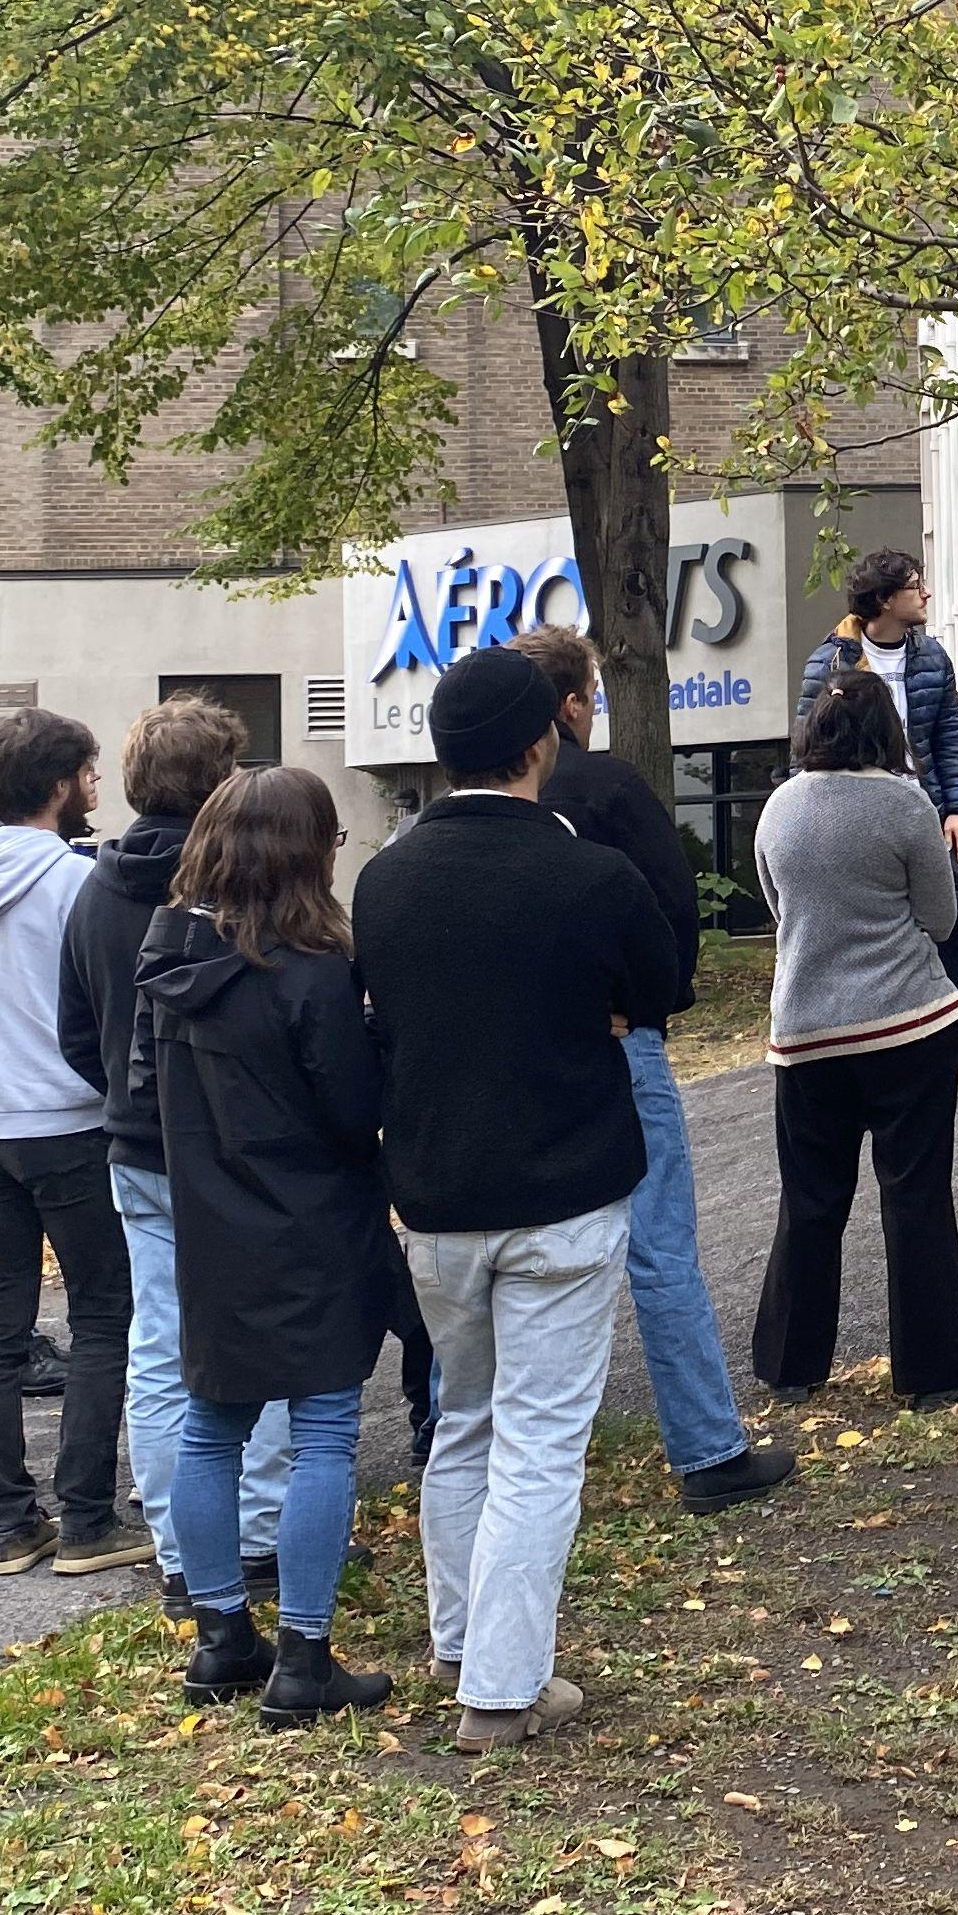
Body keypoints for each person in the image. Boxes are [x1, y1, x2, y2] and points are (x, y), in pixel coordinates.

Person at [351, 643, 683, 1752]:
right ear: (541, 742)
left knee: (466, 1424)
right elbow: (658, 987)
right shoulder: (590, 875)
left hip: (438, 1199)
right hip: (565, 1193)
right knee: (540, 1441)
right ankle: (500, 1686)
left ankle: (461, 1641)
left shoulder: (384, 880)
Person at [138, 765, 398, 1727]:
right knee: (323, 1432)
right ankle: (304, 1651)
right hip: (313, 1220)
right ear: (308, 855)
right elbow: (350, 1111)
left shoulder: (167, 954)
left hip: (207, 1221)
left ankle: (219, 1638)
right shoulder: (314, 970)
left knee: (211, 1427)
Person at [516, 627, 797, 1515]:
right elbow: (672, 905)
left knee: (509, 1252)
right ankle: (707, 1448)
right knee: (661, 1246)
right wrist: (655, 1002)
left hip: (512, 1053)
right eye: (592, 694)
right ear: (570, 705)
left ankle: (475, 1437)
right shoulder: (608, 788)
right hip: (620, 1041)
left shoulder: (476, 810)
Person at [60, 694, 291, 1619]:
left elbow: (75, 1029)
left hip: (136, 1143)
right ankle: (259, 1531)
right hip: (238, 1144)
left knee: (159, 1347)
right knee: (263, 1335)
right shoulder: (243, 887)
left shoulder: (93, 889)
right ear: (222, 781)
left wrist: (126, 1091)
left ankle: (177, 1544)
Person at [0, 707, 141, 1579]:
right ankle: (86, 1516)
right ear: (56, 786)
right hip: (69, 1122)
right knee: (101, 1315)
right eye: (85, 774)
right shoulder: (80, 883)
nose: (93, 788)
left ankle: (11, 1521)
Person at [750, 675, 958, 1411]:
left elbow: (777, 907)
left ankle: (789, 1365)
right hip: (906, 1027)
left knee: (809, 1199)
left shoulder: (777, 808)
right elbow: (939, 918)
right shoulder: (904, 804)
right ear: (886, 730)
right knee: (915, 1198)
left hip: (805, 1034)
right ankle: (938, 1372)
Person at [798, 548, 958, 1098]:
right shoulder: (830, 663)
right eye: (916, 587)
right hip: (857, 823)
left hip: (927, 818)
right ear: (885, 600)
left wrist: (957, 809)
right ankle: (860, 1049)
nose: (927, 594)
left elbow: (948, 741)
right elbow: (805, 753)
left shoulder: (932, 657)